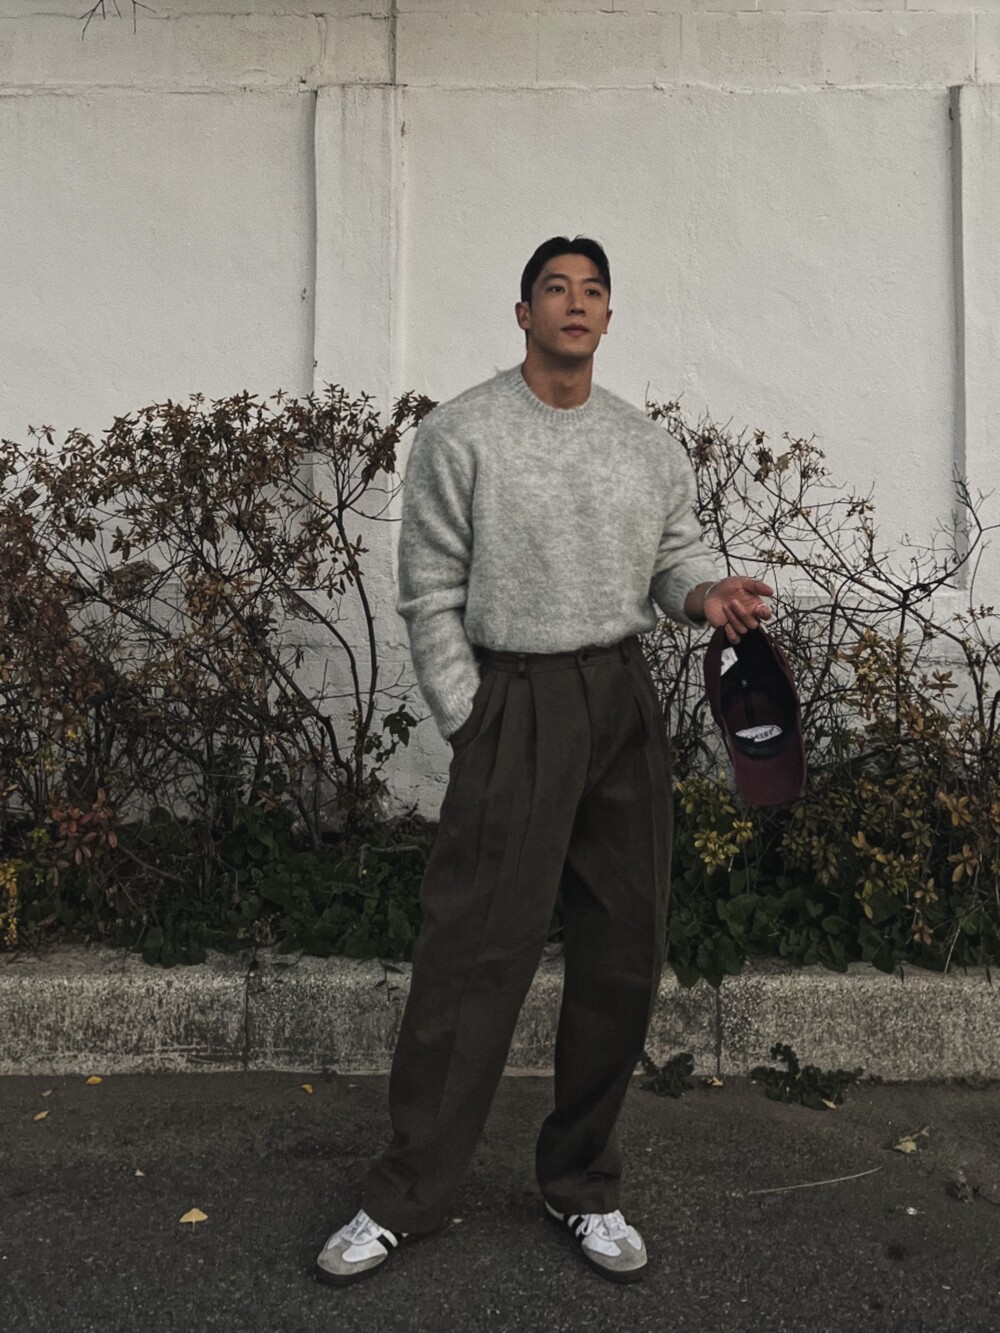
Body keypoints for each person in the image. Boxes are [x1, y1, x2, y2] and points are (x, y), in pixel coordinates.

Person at [316, 235, 773, 1287]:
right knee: (470, 955)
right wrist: (471, 715)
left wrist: (706, 593)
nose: (575, 303)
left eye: (592, 290)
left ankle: (582, 1185)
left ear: (609, 317)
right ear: (522, 313)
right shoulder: (462, 433)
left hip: (620, 701)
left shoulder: (645, 446)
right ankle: (406, 1193)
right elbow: (429, 588)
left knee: (621, 952)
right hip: (514, 703)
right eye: (555, 289)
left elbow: (673, 556)